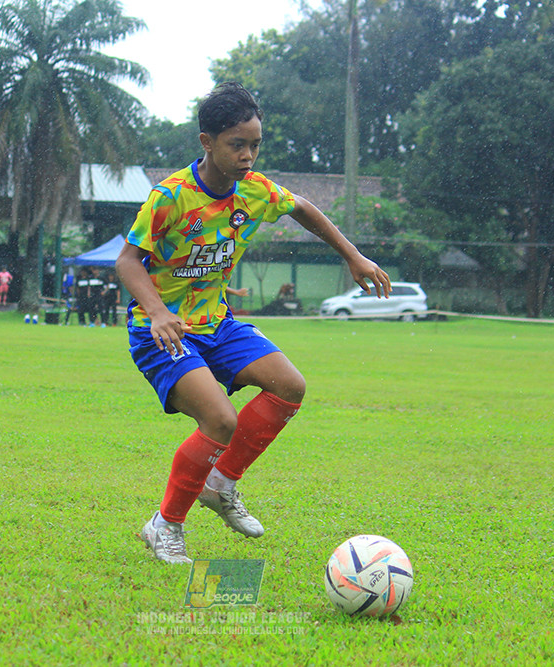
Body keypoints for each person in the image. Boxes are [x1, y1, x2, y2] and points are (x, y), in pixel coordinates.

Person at [115, 82, 391, 564]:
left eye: (255, 144)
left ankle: (221, 484)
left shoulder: (255, 191)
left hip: (218, 323)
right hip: (164, 331)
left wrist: (354, 256)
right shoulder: (172, 197)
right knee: (219, 419)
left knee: (290, 386)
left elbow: (304, 209)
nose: (247, 155)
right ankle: (166, 525)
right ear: (207, 142)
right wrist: (158, 311)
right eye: (236, 145)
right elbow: (128, 261)